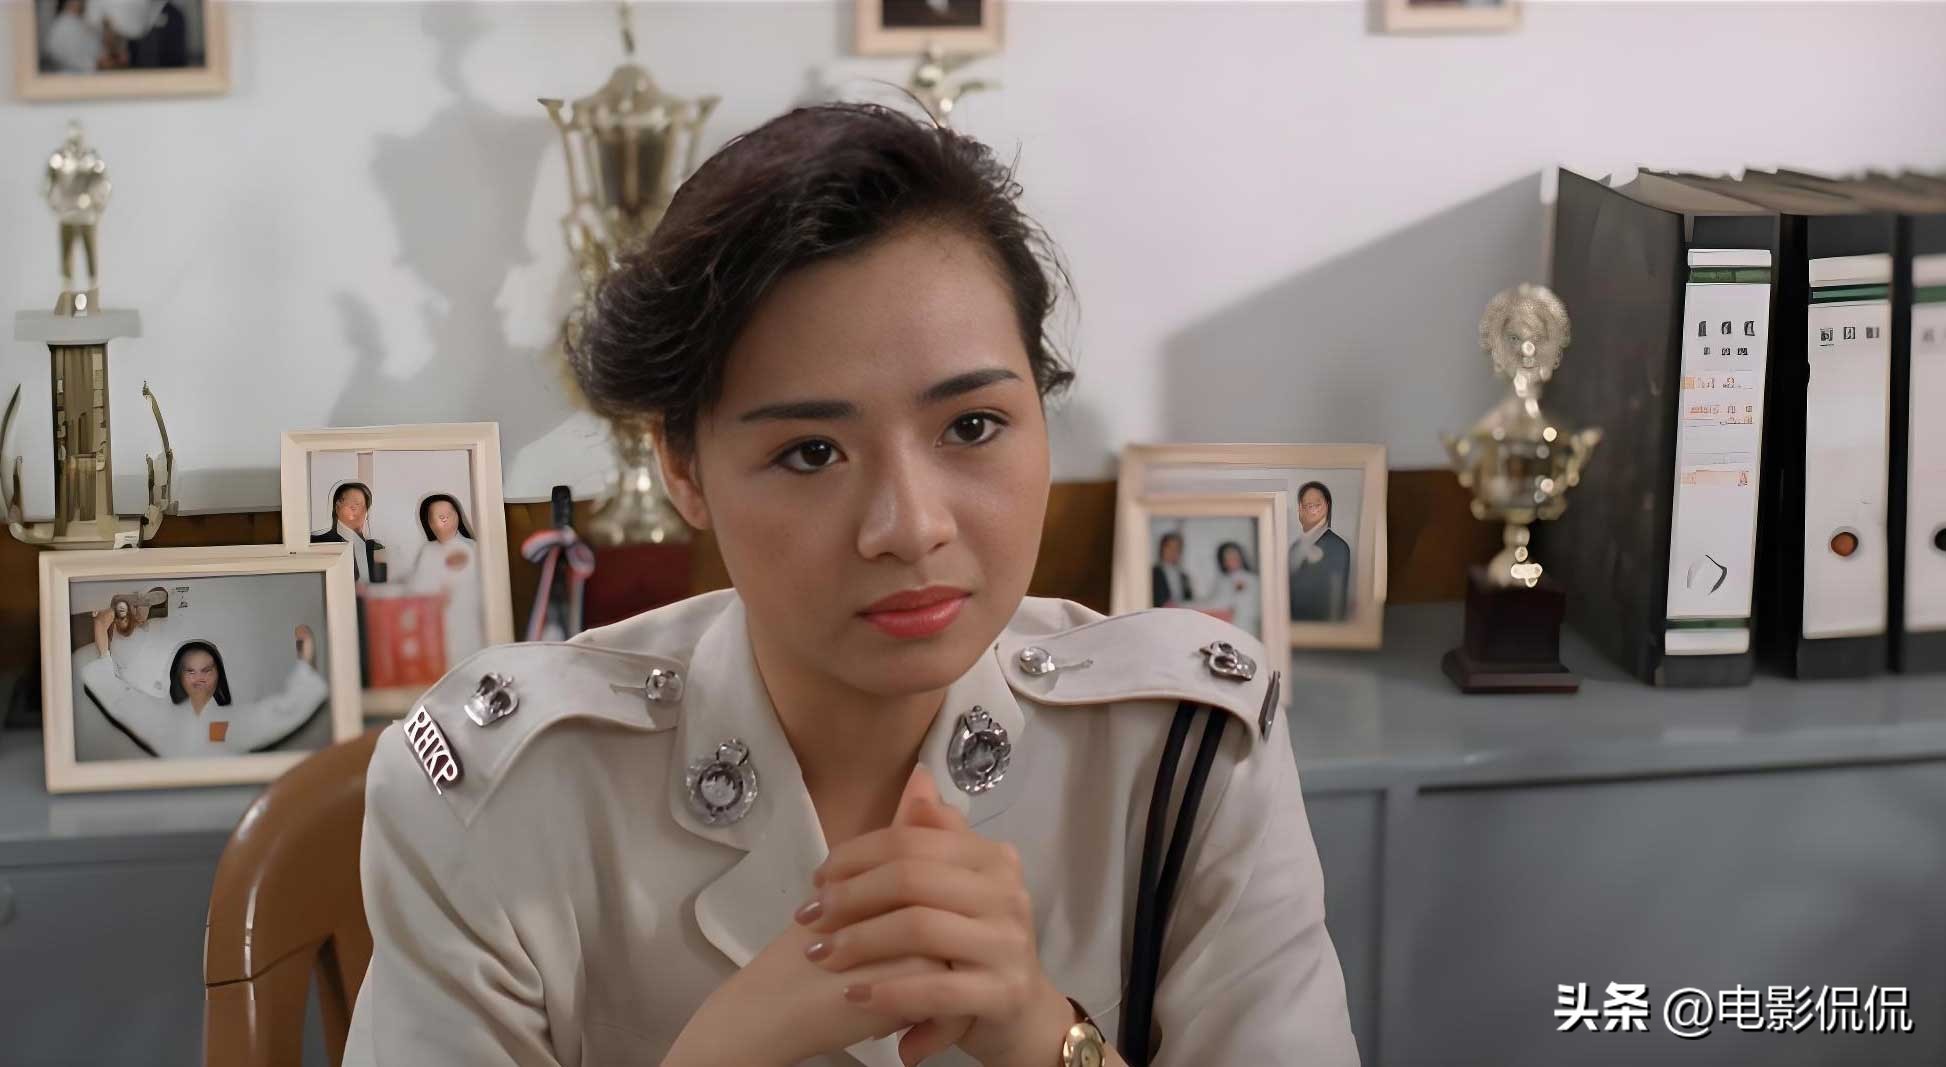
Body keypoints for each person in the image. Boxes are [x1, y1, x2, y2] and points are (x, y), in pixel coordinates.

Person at [345, 103, 1356, 1067]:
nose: (910, 525)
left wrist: (1044, 1034)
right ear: (682, 468)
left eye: (971, 426)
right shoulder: (505, 797)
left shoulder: (1184, 750)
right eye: (811, 451)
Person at [77, 617, 328, 758]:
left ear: (218, 675)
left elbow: (281, 712)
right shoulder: (159, 718)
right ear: (179, 676)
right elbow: (118, 698)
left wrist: (305, 662)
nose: (199, 677)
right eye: (191, 670)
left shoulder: (231, 722)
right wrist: (101, 633)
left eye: (207, 670)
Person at [406, 492, 485, 669]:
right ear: (428, 523)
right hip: (435, 627)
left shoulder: (473, 548)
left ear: (458, 516)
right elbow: (416, 591)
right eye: (437, 517)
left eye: (448, 515)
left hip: (468, 624)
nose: (443, 520)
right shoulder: (428, 552)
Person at [1288, 481, 1351, 623]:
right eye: (1306, 504)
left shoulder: (1337, 546)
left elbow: (1336, 599)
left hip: (1320, 627)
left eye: (1316, 504)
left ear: (1327, 507)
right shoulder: (1294, 547)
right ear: (1300, 509)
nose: (1311, 508)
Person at [312, 481, 388, 584]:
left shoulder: (375, 548)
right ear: (337, 506)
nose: (360, 512)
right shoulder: (318, 543)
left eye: (364, 507)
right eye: (353, 507)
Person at [1193, 541, 1260, 639]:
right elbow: (1214, 602)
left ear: (1241, 557)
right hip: (1224, 627)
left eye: (1234, 557)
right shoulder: (1222, 581)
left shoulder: (1252, 579)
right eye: (1227, 558)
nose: (1231, 561)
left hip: (1245, 627)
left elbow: (1251, 609)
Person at [41, 0, 102, 73]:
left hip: (88, 73)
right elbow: (58, 54)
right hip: (69, 75)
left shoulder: (81, 22)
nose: (83, 3)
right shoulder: (62, 25)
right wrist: (94, 64)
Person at [1149, 531, 1192, 608]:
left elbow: (1189, 600)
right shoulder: (1154, 572)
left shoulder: (1184, 576)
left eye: (1176, 548)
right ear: (1162, 549)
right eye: (1170, 547)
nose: (1173, 551)